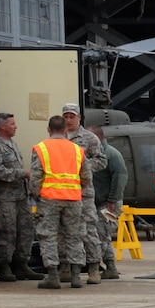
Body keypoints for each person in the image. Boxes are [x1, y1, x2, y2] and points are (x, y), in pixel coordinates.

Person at [29, 115, 87, 289]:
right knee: (74, 236)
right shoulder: (77, 150)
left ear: (48, 130)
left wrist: (36, 195)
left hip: (49, 199)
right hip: (73, 199)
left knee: (48, 236)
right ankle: (76, 276)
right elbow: (86, 177)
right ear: (65, 130)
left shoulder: (41, 149)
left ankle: (53, 275)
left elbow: (35, 178)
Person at [59, 104, 107, 284]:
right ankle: (65, 266)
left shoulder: (89, 138)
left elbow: (102, 161)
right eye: (66, 117)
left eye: (72, 117)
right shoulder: (58, 138)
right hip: (62, 192)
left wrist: (82, 167)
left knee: (88, 230)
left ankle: (94, 267)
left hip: (83, 192)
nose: (69, 120)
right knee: (63, 232)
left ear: (79, 117)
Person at [0, 111, 35, 282]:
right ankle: (5, 266)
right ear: (2, 126)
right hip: (6, 198)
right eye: (12, 124)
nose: (16, 127)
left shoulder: (12, 144)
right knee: (7, 232)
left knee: (26, 230)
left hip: (21, 196)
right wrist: (23, 173)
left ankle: (22, 264)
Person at [91, 129, 127, 278]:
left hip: (109, 204)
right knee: (102, 234)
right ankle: (109, 266)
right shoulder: (95, 154)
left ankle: (104, 266)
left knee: (101, 234)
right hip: (99, 202)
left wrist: (112, 200)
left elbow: (120, 177)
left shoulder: (111, 154)